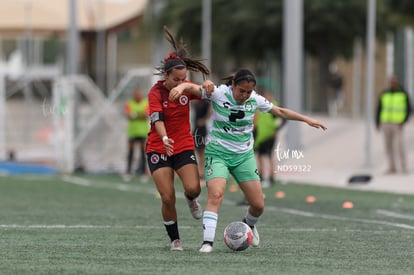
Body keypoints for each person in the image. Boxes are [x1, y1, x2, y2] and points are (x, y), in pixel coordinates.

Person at [169, 68, 327, 253]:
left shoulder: (255, 100)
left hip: (244, 157)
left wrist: (306, 119)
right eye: (241, 91)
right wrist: (182, 88)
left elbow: (280, 111)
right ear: (233, 85)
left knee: (258, 205)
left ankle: (248, 225)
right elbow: (193, 87)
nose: (244, 95)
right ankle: (207, 243)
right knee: (216, 195)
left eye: (248, 92)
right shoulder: (219, 93)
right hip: (218, 154)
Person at [145, 26, 213, 251]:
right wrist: (164, 138)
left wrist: (204, 86)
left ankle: (191, 198)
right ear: (166, 76)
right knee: (167, 197)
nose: (179, 82)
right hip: (159, 147)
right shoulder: (155, 92)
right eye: (176, 79)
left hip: (183, 145)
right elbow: (157, 119)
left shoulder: (185, 88)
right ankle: (175, 239)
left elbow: (207, 92)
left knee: (194, 188)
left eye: (182, 79)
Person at [375, 75, 411, 174]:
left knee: (400, 145)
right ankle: (392, 167)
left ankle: (404, 166)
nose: (392, 84)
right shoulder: (384, 93)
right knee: (388, 146)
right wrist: (377, 122)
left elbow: (409, 109)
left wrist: (404, 120)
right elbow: (379, 108)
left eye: (394, 82)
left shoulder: (403, 94)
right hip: (386, 123)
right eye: (391, 82)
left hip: (398, 124)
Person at [253, 90, 286, 187]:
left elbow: (283, 119)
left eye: (268, 95)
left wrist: (276, 130)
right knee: (259, 156)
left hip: (270, 136)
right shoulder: (259, 106)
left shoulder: (275, 106)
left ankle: (272, 176)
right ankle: (261, 175)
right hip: (260, 136)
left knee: (269, 156)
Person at [123, 88, 149, 182]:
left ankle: (143, 173)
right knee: (131, 152)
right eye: (136, 94)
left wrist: (134, 115)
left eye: (139, 93)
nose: (137, 95)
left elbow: (146, 114)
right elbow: (127, 114)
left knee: (143, 153)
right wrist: (139, 115)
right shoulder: (129, 103)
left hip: (142, 131)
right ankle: (128, 172)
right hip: (132, 131)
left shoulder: (145, 102)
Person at [192, 100, 211, 185]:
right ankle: (198, 173)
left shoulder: (206, 103)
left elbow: (210, 111)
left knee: (202, 153)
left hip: (202, 130)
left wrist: (204, 120)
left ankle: (202, 173)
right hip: (195, 129)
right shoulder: (196, 103)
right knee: (196, 152)